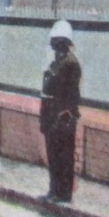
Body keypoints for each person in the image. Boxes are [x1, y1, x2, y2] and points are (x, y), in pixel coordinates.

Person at [38, 20, 81, 204]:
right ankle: (54, 190)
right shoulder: (56, 61)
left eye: (57, 40)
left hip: (62, 116)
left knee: (63, 156)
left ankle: (64, 193)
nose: (53, 44)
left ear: (63, 41)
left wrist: (63, 115)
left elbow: (71, 94)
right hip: (50, 114)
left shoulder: (70, 63)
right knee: (53, 155)